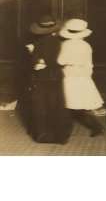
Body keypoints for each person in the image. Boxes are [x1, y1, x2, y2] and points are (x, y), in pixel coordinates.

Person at [26, 15, 71, 144]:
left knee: (41, 106)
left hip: (41, 78)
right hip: (56, 77)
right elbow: (60, 61)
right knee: (57, 105)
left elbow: (36, 63)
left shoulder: (39, 44)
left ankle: (43, 135)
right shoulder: (59, 42)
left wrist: (33, 54)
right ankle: (60, 136)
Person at [57, 18, 105, 137]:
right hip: (83, 76)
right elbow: (89, 63)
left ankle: (64, 130)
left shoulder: (66, 45)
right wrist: (87, 75)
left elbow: (60, 60)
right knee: (79, 105)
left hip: (70, 75)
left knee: (69, 104)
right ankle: (97, 127)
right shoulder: (86, 45)